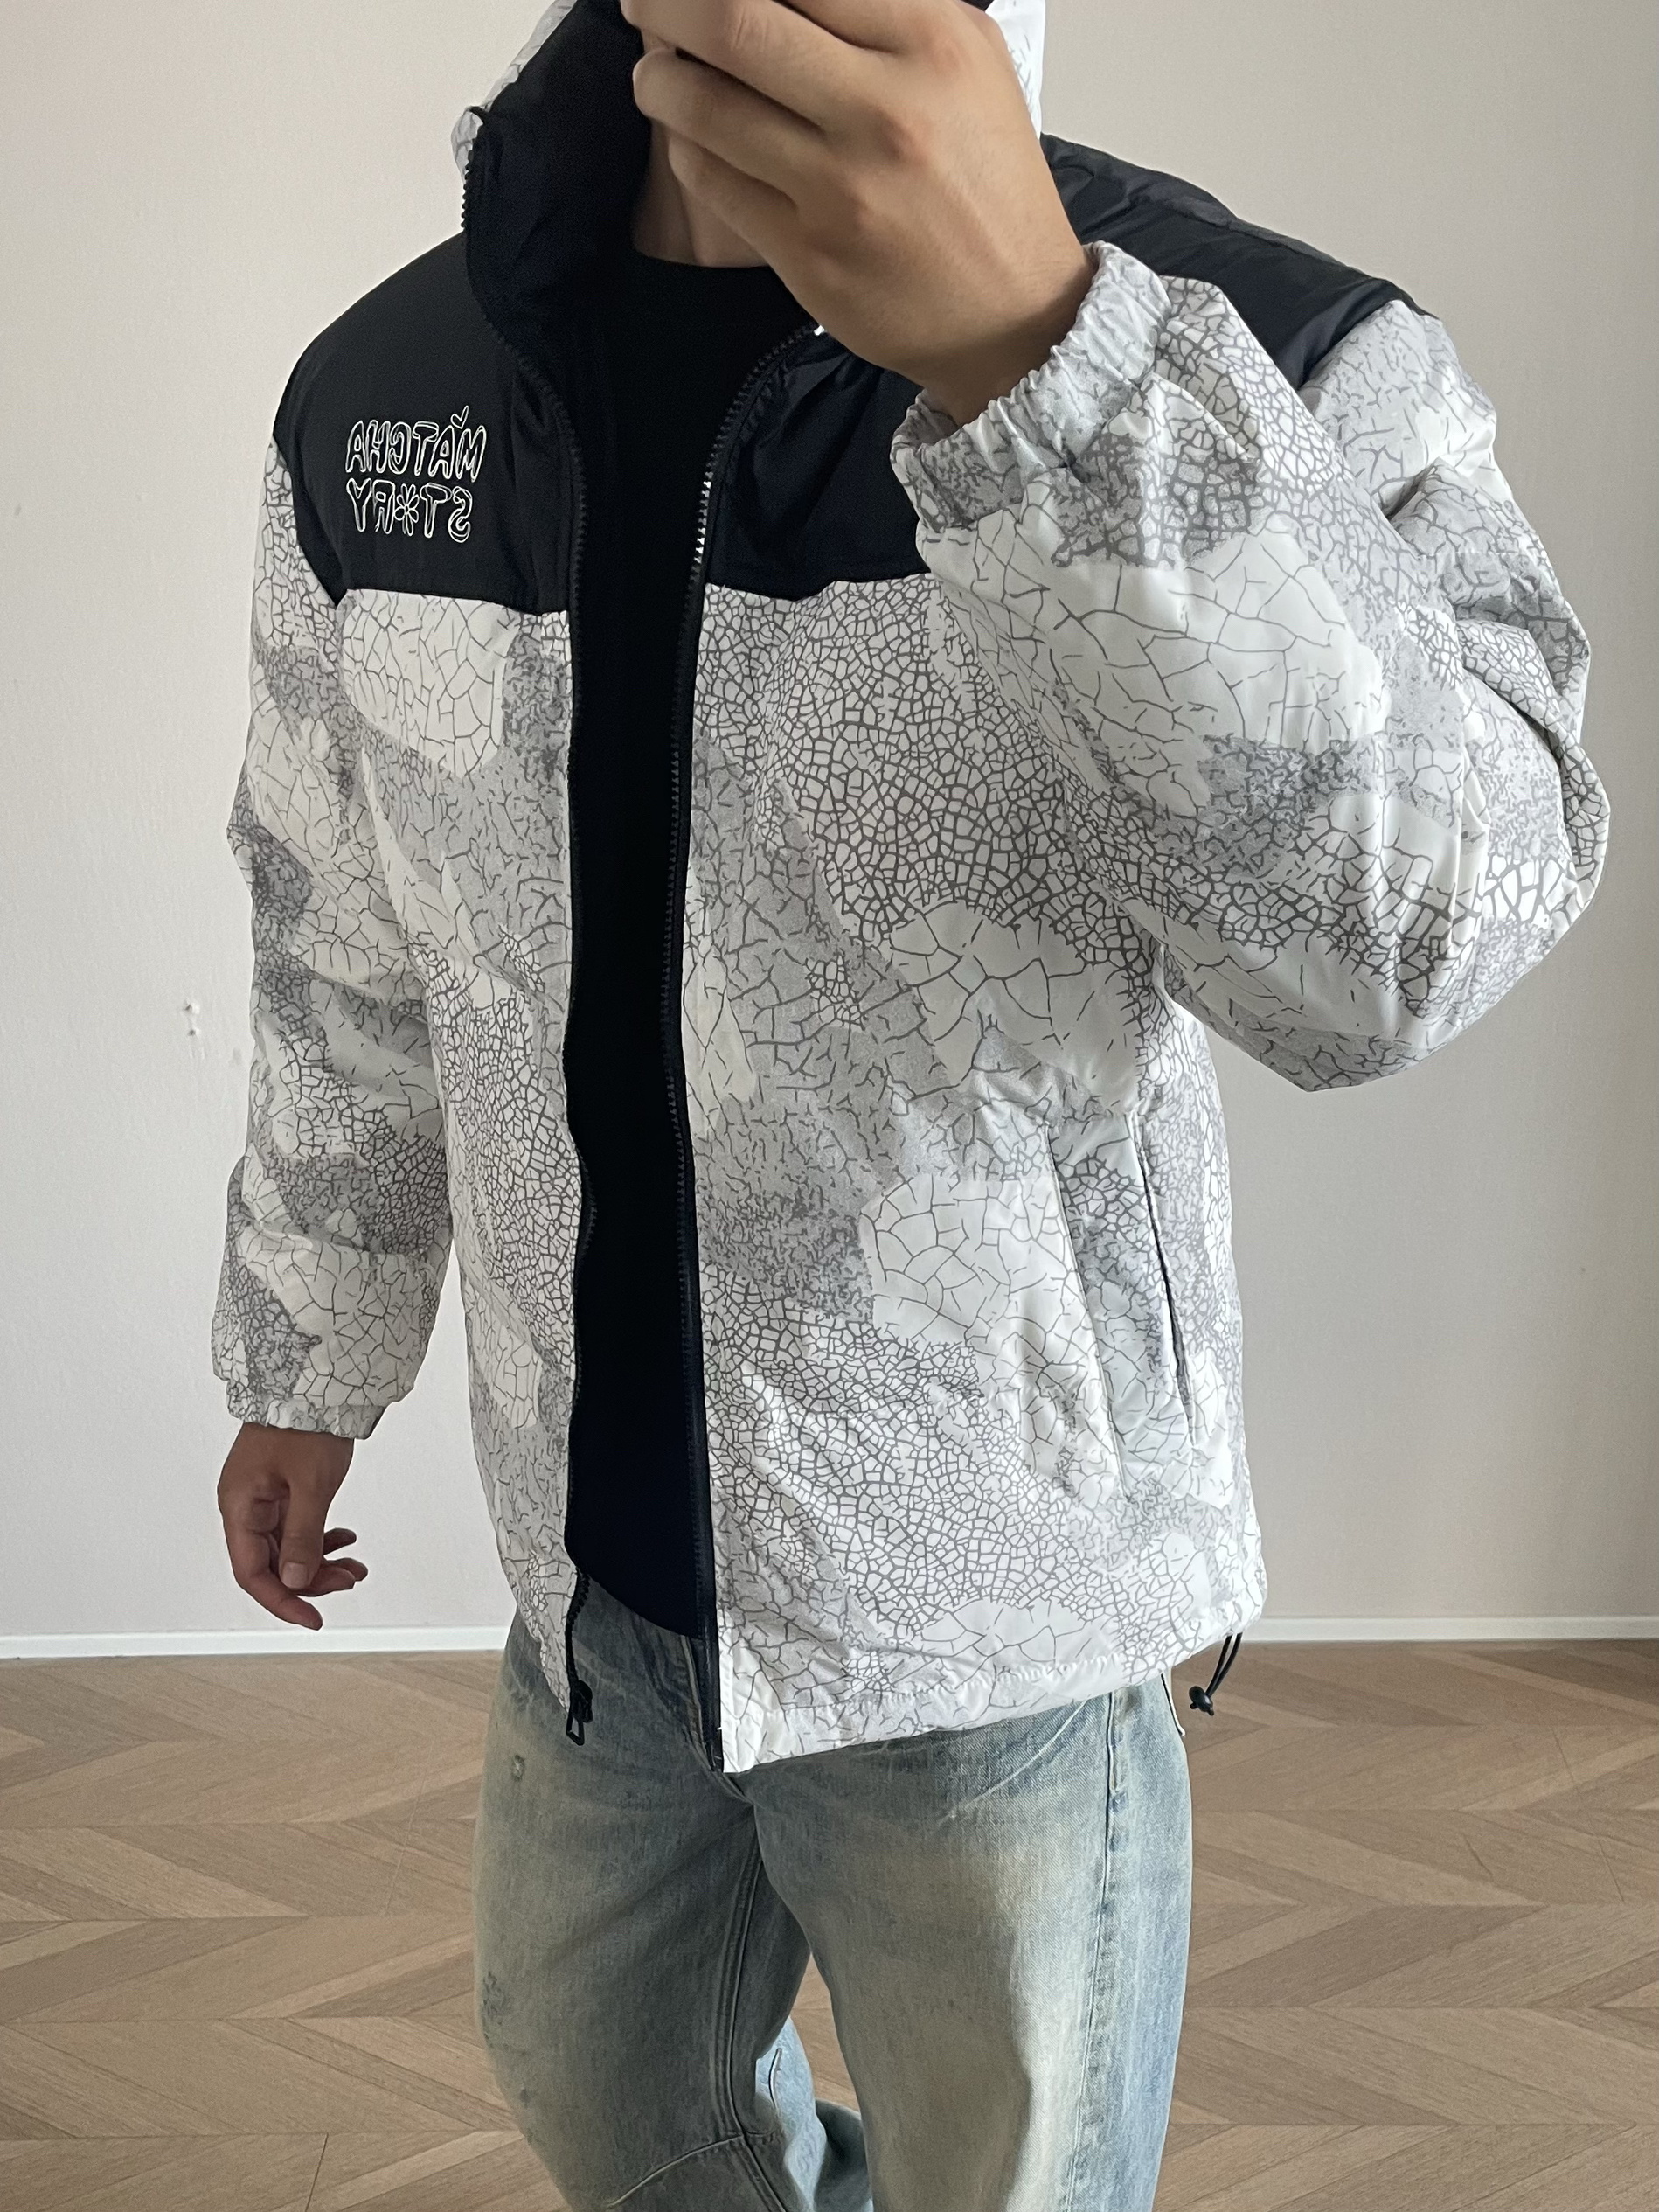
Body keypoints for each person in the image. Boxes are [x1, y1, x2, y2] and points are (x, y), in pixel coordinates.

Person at [211, 1, 1609, 2204]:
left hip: (996, 1595)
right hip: (594, 1575)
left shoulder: (1253, 340)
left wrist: (1049, 370)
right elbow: (346, 937)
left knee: (1016, 2173)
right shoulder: (390, 392)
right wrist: (308, 1349)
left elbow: (1417, 937)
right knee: (604, 2092)